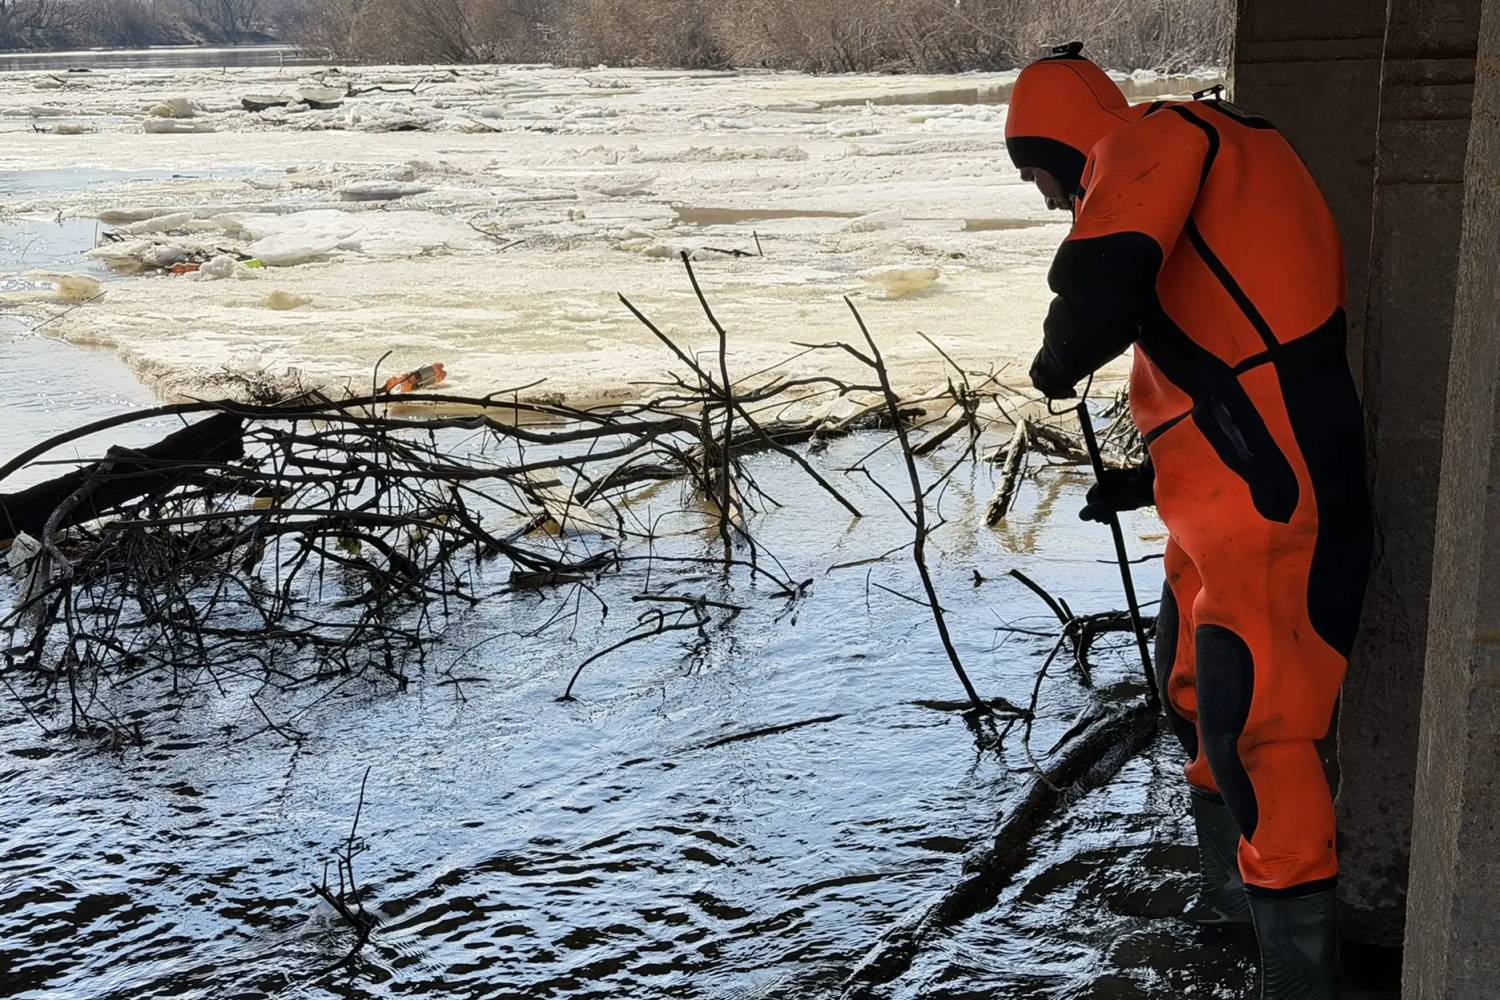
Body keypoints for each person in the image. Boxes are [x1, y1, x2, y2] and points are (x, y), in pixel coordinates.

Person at [1004, 42, 1374, 1000]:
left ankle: (1296, 978)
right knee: (1197, 701)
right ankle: (1228, 912)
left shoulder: (1157, 139)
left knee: (1261, 735)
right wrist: (1143, 483)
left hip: (1274, 504)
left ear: (1058, 144)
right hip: (1224, 505)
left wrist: (1056, 360)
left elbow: (1102, 286)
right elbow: (1219, 361)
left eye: (1037, 174)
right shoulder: (1208, 152)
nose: (1046, 198)